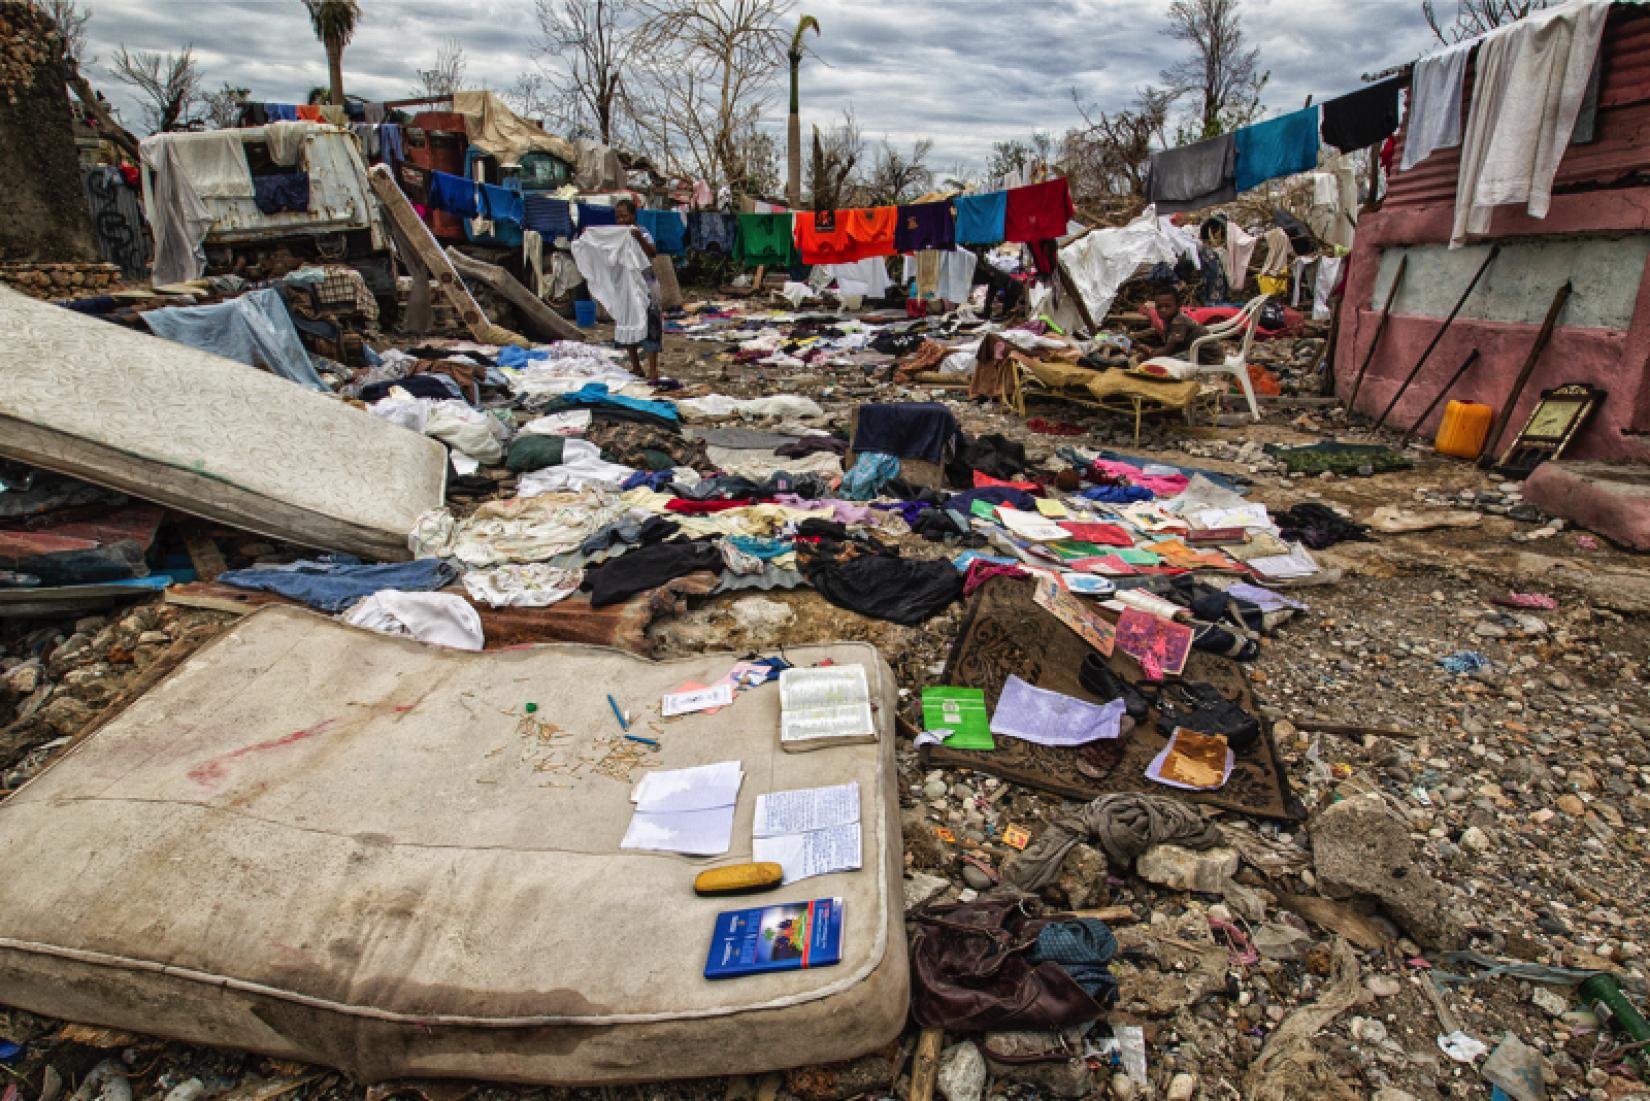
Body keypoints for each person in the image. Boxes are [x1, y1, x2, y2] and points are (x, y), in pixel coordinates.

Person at [612, 198, 662, 380]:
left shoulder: (642, 232)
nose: (621, 221)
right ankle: (636, 366)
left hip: (646, 281)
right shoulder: (616, 234)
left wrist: (638, 237)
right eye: (617, 217)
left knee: (651, 323)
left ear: (633, 215)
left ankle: (653, 370)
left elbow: (652, 252)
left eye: (624, 216)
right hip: (626, 284)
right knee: (626, 320)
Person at [1141, 288, 1222, 366]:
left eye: (1167, 306)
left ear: (1178, 305)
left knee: (1160, 363)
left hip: (1207, 357)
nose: (1163, 310)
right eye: (1159, 307)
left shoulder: (1178, 322)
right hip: (1195, 352)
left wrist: (1150, 352)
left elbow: (1168, 351)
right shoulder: (1170, 319)